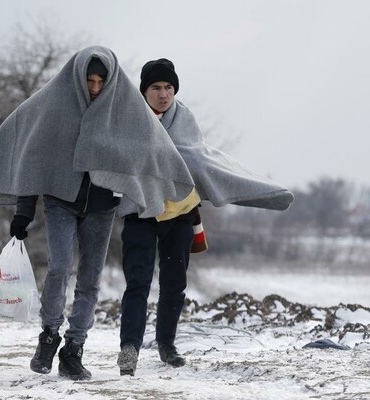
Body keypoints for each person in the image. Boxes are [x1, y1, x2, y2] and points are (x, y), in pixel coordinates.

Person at [0, 46, 195, 380]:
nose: (94, 87)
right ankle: (49, 334)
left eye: (100, 81)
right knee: (59, 268)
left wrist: (162, 193)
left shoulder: (122, 111)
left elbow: (154, 150)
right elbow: (31, 156)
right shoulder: (54, 106)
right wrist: (23, 211)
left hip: (103, 207)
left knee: (90, 282)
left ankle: (74, 349)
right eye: (89, 80)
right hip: (60, 201)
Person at [116, 58, 294, 376]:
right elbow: (117, 158)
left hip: (181, 212)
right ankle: (129, 348)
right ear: (144, 91)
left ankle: (166, 345)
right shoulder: (127, 119)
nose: (163, 94)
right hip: (140, 211)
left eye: (168, 87)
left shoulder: (185, 119)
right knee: (137, 283)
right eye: (156, 87)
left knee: (174, 283)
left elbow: (198, 158)